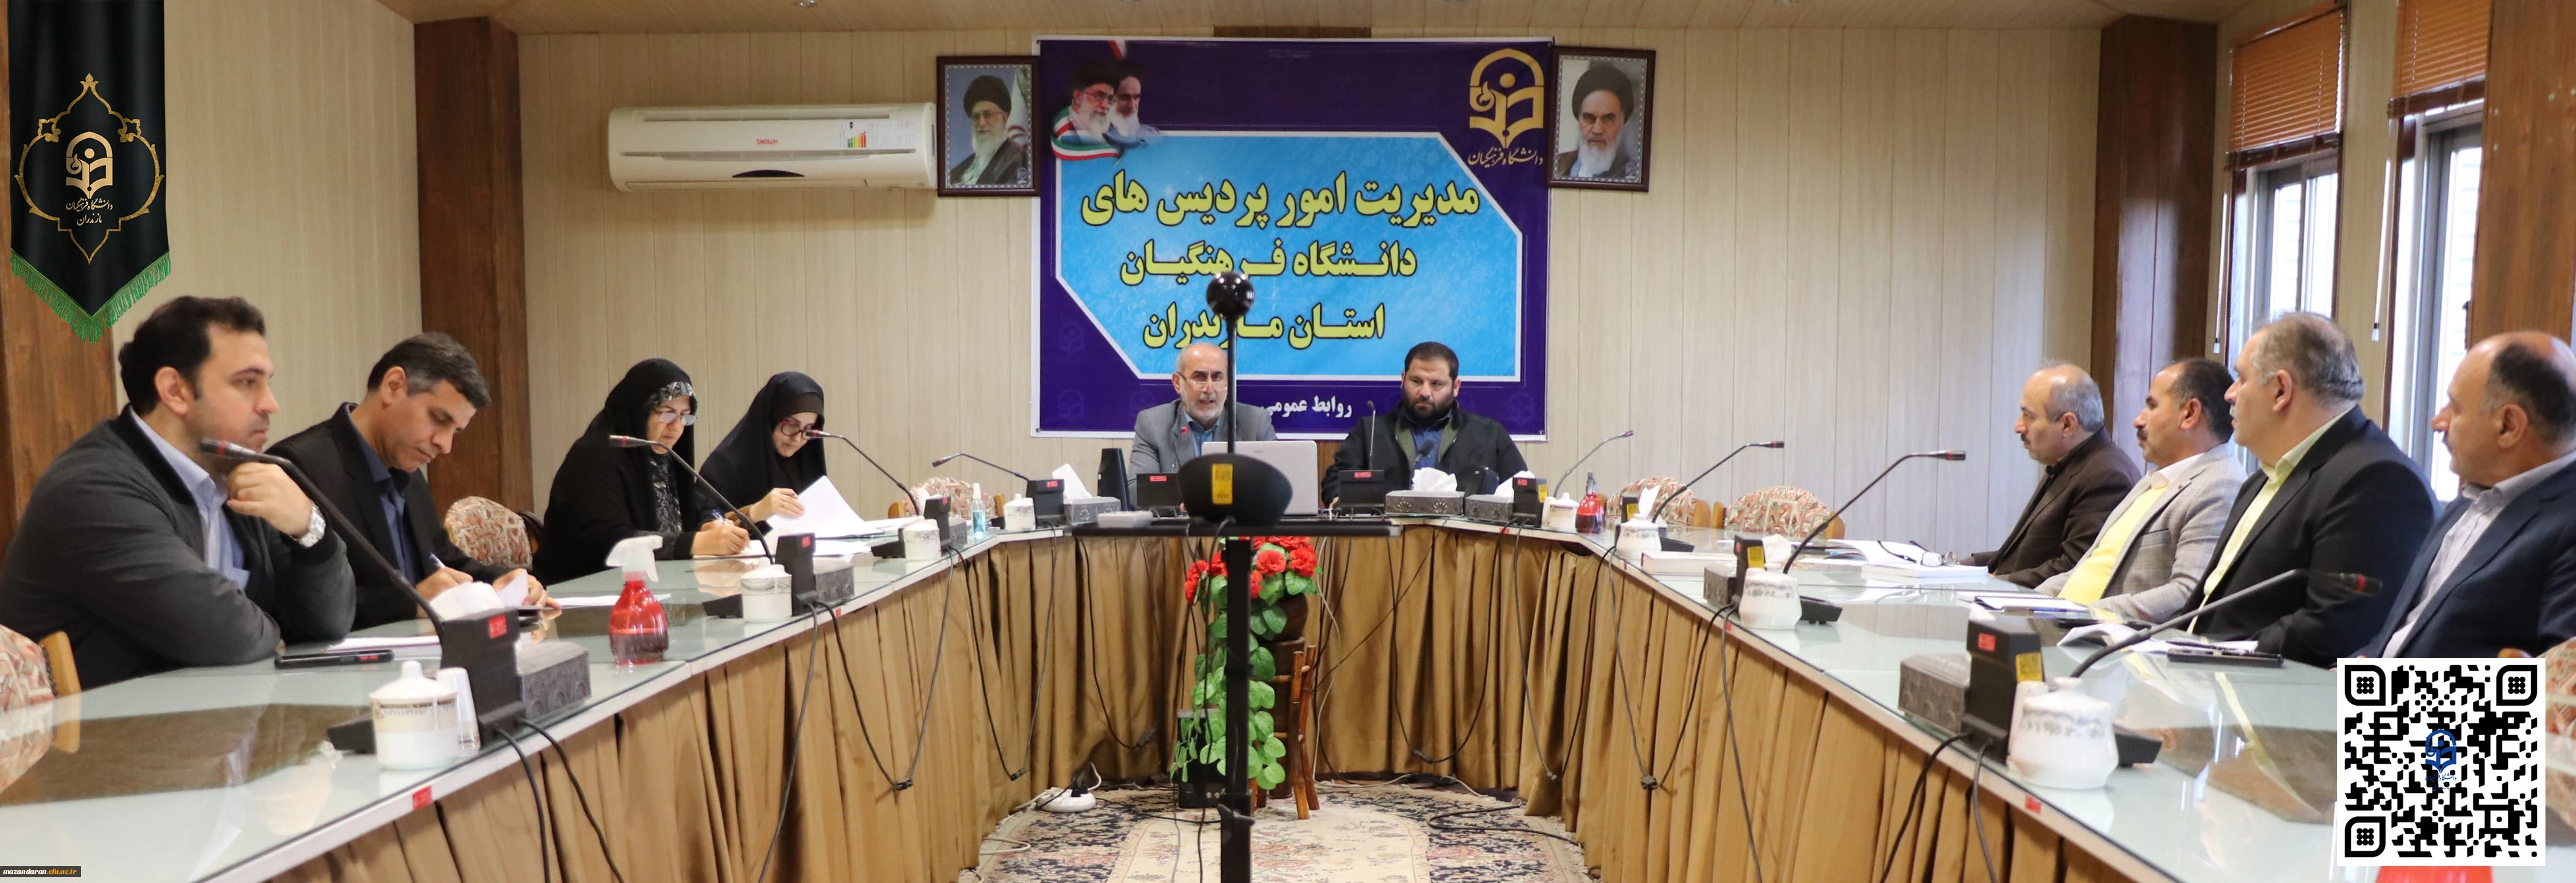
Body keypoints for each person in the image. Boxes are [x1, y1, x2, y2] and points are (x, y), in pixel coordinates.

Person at [0, 296, 352, 688]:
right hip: (99, 726)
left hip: (209, 718)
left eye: (268, 383)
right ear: (175, 391)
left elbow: (329, 622)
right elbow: (224, 635)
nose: (271, 404)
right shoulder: (93, 489)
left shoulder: (235, 475)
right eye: (247, 383)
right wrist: (276, 632)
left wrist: (309, 529)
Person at [2185, 313, 2434, 665]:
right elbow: (2207, 609)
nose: (2230, 394)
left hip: (2264, 688)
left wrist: (2206, 652)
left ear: (2281, 391)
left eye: (2241, 378)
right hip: (2200, 674)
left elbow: (2334, 629)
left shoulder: (2378, 479)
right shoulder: (2263, 478)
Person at [271, 333, 552, 630]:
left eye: (455, 431)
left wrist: (503, 581)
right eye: (439, 419)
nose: (445, 445)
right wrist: (411, 602)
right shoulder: (298, 468)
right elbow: (295, 605)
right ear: (394, 387)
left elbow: (444, 559)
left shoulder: (408, 469)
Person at [2359, 333, 2576, 658]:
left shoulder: (2567, 524)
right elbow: (2400, 639)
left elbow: (2557, 685)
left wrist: (2373, 685)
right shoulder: (2470, 498)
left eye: (2455, 407)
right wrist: (2341, 676)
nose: (2438, 421)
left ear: (2508, 426)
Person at [2039, 359, 2246, 622]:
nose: (2138, 420)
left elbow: (2187, 594)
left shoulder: (2219, 485)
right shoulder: (2155, 479)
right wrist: (2030, 602)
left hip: (2103, 636)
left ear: (2190, 414)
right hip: (2065, 622)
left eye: (2152, 406)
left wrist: (2086, 614)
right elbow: (2089, 569)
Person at [532, 359, 750, 583]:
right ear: (639, 411)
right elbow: (608, 542)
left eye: (685, 416)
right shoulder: (594, 458)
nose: (677, 427)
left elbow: (696, 505)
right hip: (579, 590)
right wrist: (696, 543)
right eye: (667, 414)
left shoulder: (662, 456)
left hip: (651, 588)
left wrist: (708, 523)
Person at [1969, 363, 2141, 588]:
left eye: (2028, 416)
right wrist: (1959, 568)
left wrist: (1991, 582)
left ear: (2067, 425)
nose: (2019, 427)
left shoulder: (2107, 476)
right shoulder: (2073, 463)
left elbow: (2074, 569)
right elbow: (2022, 554)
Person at [1323, 342, 1526, 501]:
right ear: (1403, 379)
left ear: (1456, 387)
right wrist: (1339, 499)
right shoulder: (1371, 431)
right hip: (1387, 539)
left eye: (1437, 384)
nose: (1425, 392)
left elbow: (1522, 488)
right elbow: (1335, 482)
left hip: (1463, 539)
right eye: (1416, 381)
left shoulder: (1488, 434)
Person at [1131, 343, 1278, 485]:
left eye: (1217, 377)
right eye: (1199, 377)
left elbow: (1276, 486)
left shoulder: (1256, 423)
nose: (1209, 389)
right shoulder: (1153, 424)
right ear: (1178, 383)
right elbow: (1137, 489)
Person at [699, 371, 823, 534]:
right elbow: (703, 528)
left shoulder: (804, 463)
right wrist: (755, 512)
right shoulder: (723, 466)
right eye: (791, 424)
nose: (797, 439)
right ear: (770, 419)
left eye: (808, 429)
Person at [1553, 64, 1634, 180]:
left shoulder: (1633, 174)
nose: (1597, 130)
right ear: (1579, 119)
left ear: (1622, 122)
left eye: (1608, 119)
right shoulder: (1557, 165)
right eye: (1589, 118)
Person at [947, 74, 1029, 187]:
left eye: (988, 115)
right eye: (976, 117)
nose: (981, 123)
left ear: (1004, 118)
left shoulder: (1018, 161)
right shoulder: (961, 169)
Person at [1049, 60, 1120, 159]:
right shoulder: (1065, 138)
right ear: (1078, 97)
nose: (1105, 105)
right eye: (1099, 96)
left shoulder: (1108, 134)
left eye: (1110, 99)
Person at [1103, 62, 1160, 150]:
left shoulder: (1151, 136)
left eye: (1136, 97)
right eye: (1125, 97)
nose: (1132, 106)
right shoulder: (1090, 136)